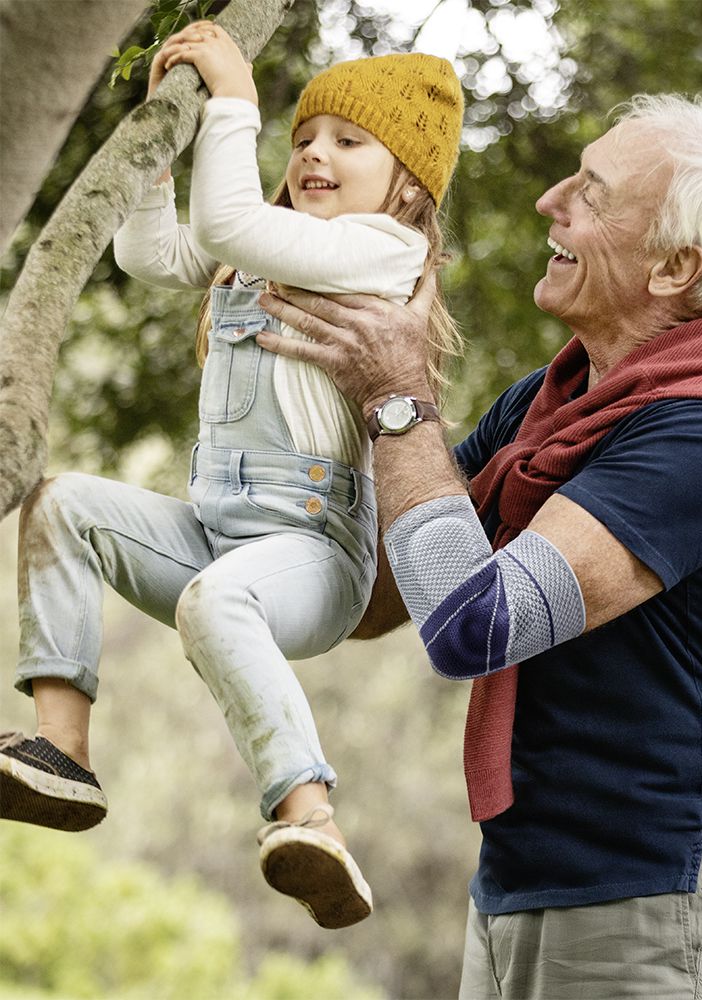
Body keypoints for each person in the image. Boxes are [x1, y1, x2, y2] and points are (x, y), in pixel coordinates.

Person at [255, 92, 702, 996]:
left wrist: (399, 398)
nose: (548, 200)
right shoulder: (548, 399)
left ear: (674, 266)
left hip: (661, 888)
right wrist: (228, 539)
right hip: (527, 874)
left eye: (591, 194)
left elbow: (473, 625)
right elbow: (383, 596)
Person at [0, 22, 463, 930]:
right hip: (216, 534)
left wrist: (234, 96)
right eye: (303, 139)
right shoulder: (262, 244)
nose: (314, 153)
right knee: (65, 508)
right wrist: (156, 150)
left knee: (214, 602)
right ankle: (62, 747)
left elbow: (226, 223)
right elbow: (149, 253)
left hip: (312, 557)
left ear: (407, 183)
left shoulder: (382, 251)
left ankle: (310, 817)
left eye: (348, 141)